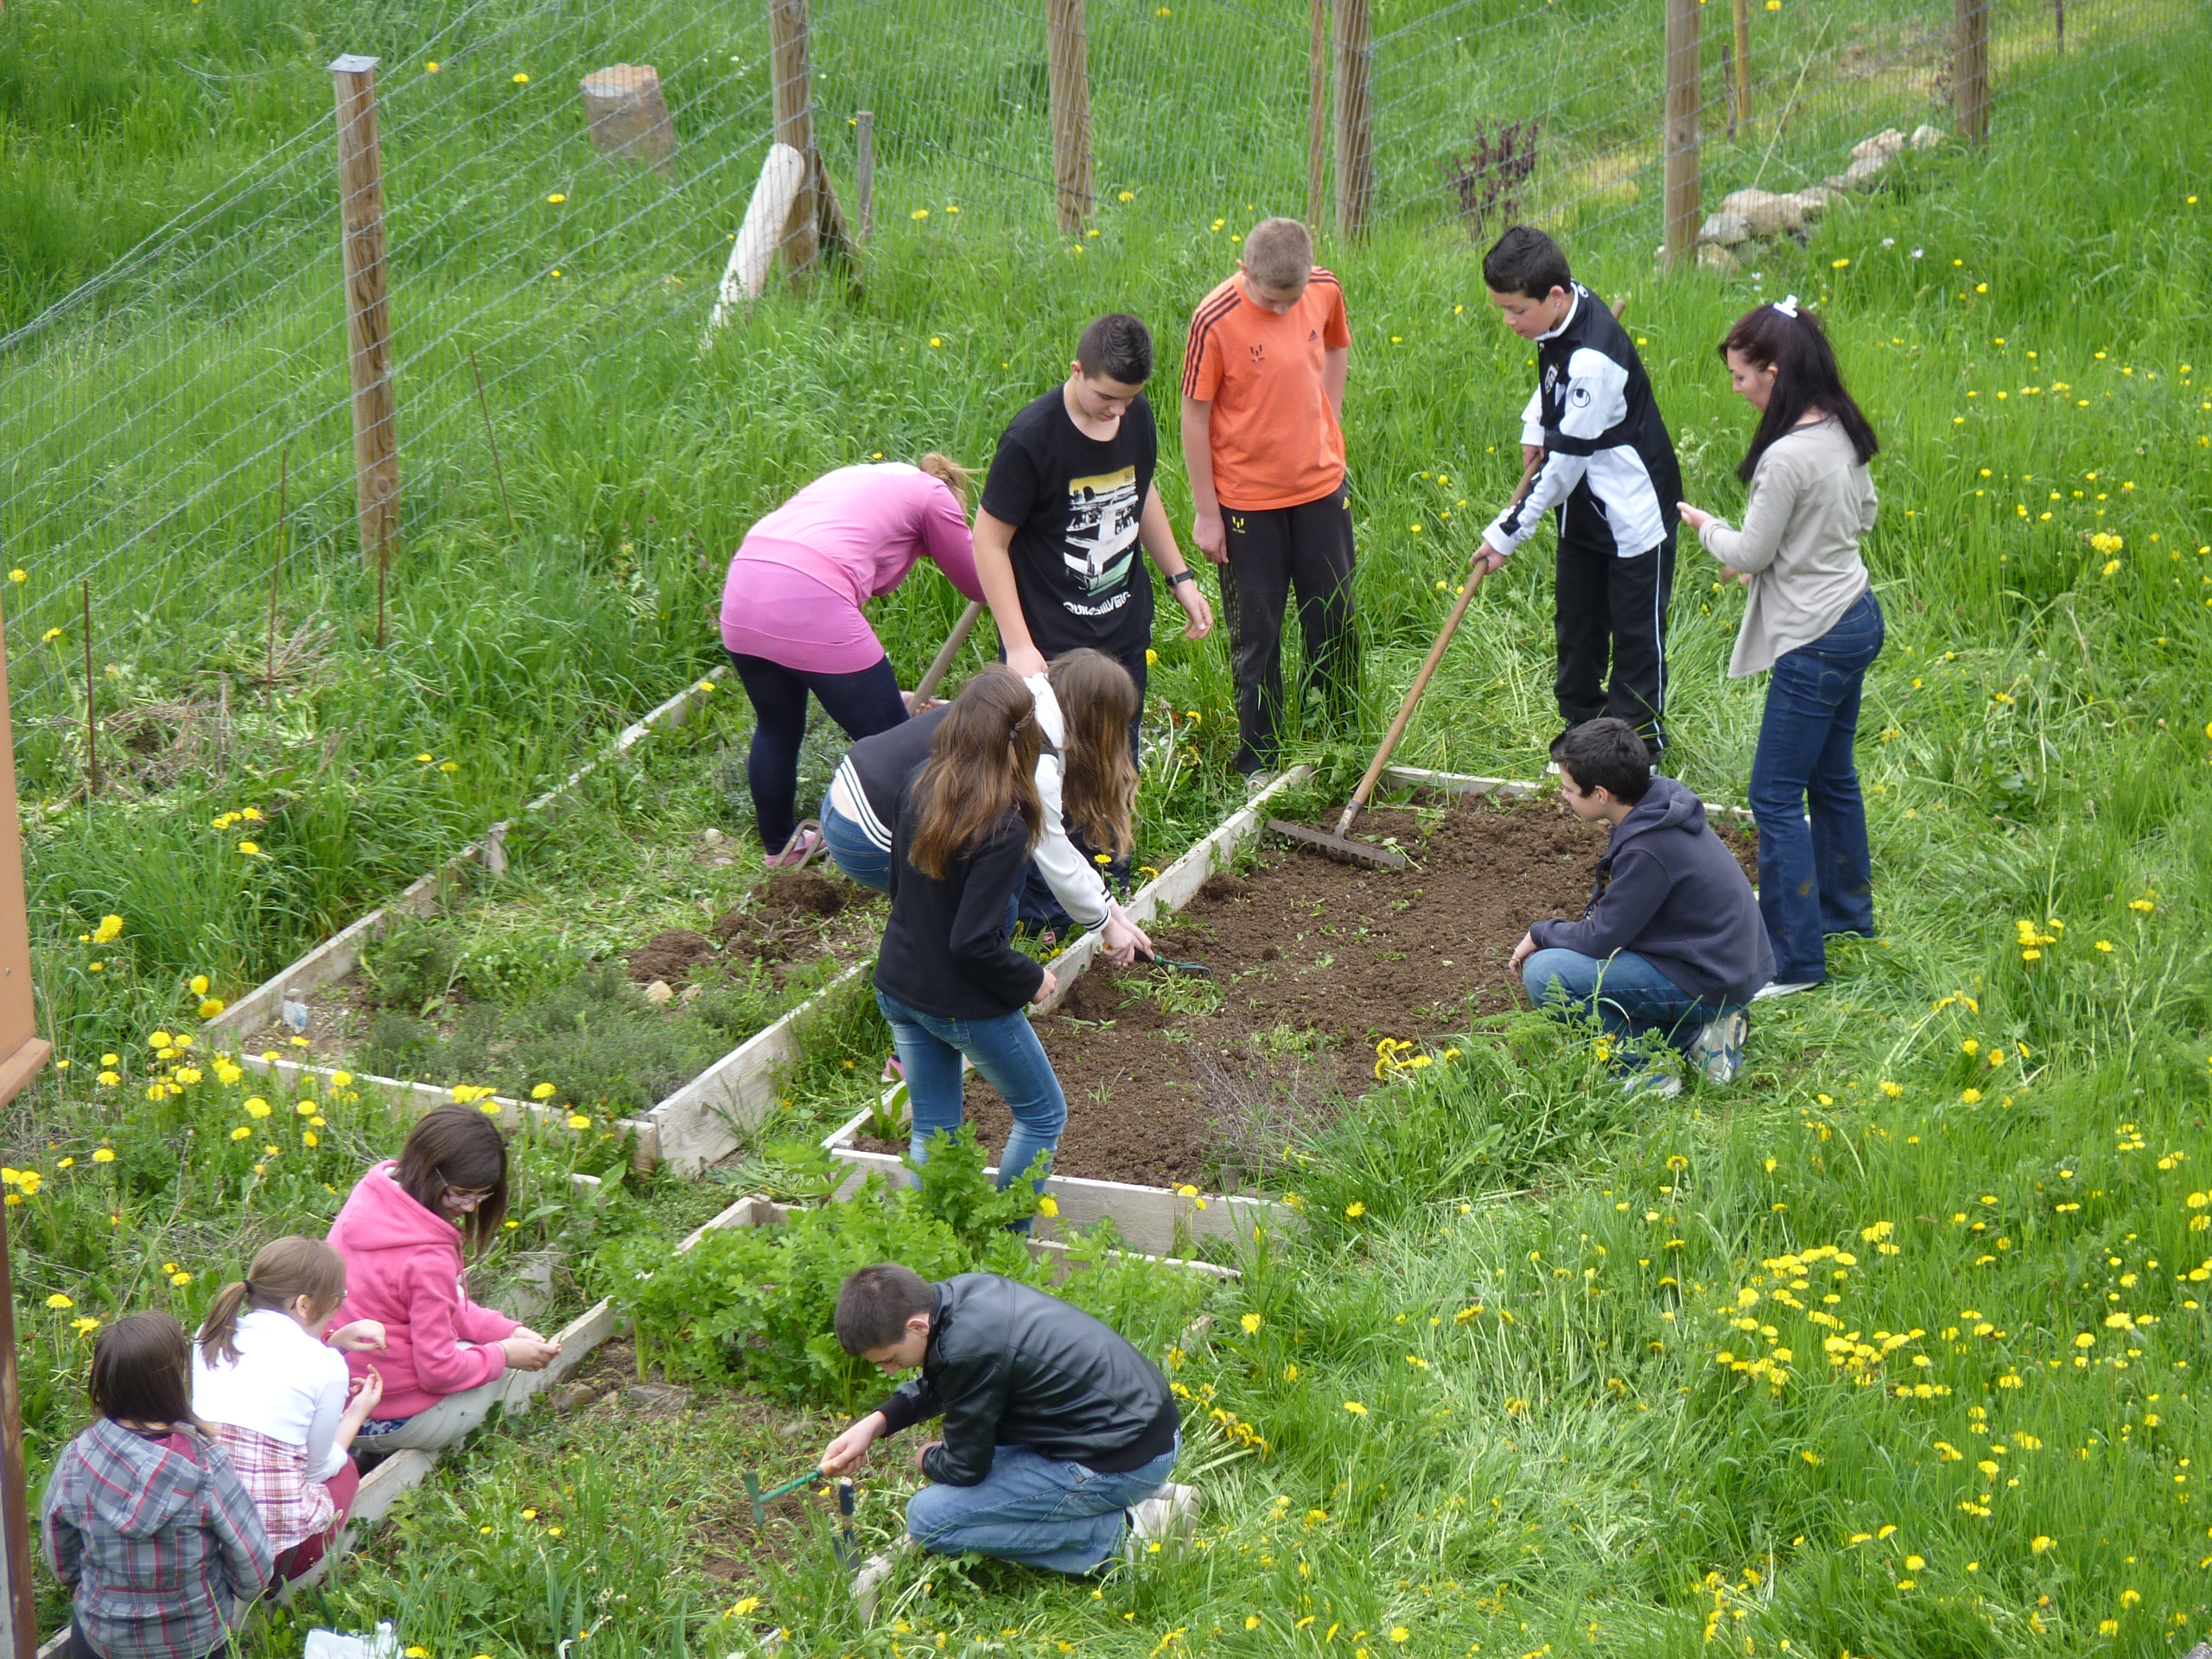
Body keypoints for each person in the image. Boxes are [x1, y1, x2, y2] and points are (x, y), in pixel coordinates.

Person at [1676, 297, 1884, 997]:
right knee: (1832, 780)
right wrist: (1779, 552)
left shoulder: (1786, 456)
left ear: (1773, 372)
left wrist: (1709, 530)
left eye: (1740, 376)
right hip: (1857, 613)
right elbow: (1863, 514)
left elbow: (1753, 548)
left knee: (1772, 796)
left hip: (1815, 637)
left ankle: (1794, 962)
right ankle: (1845, 916)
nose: (1736, 388)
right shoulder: (1840, 428)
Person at [819, 1263, 1197, 1613]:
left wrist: (926, 1459)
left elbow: (966, 1467)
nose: (888, 1370)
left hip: (1124, 1460)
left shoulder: (969, 1348)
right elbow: (945, 1382)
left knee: (929, 1518)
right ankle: (1154, 1501)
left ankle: (1129, 1537)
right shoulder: (962, 1296)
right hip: (1143, 1432)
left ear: (918, 1327)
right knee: (972, 1478)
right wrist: (875, 1424)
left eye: (889, 1359)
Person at [1470, 226, 1684, 757]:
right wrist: (1532, 423)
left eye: (1517, 311)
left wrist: (1506, 533)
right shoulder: (1566, 306)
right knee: (1578, 629)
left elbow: (1564, 464)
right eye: (1503, 309)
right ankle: (1582, 746)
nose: (1509, 322)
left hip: (1632, 510)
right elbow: (1554, 378)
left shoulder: (1596, 358)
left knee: (1636, 638)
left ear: (1555, 296)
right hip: (1584, 512)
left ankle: (1639, 755)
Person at [719, 455, 987, 864]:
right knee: (896, 744)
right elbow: (977, 582)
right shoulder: (935, 497)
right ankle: (925, 858)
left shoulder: (863, 478)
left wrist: (882, 694)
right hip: (810, 593)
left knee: (777, 726)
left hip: (745, 585)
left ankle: (781, 850)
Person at [973, 313, 1214, 756]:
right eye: (1107, 396)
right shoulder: (1031, 439)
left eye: (1130, 398)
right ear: (1077, 370)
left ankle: (1117, 825)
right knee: (1056, 763)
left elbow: (1138, 492)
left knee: (1121, 757)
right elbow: (988, 541)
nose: (1118, 410)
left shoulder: (1134, 414)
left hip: (1124, 627)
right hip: (1055, 643)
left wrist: (1179, 577)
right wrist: (1019, 645)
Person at [824, 648, 1155, 964]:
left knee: (1000, 866)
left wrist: (1111, 910)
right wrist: (1106, 927)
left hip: (846, 794)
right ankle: (968, 995)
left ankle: (962, 978)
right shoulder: (1037, 759)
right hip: (868, 831)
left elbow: (1058, 844)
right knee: (992, 892)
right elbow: (1053, 855)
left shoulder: (1023, 698)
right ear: (1098, 725)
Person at [872, 669, 1068, 1193]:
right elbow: (972, 943)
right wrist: (1032, 978)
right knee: (1043, 1115)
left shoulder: (919, 781)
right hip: (955, 1001)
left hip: (898, 984)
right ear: (1020, 739)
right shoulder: (1002, 824)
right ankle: (1004, 1247)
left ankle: (923, 1255)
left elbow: (898, 888)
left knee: (934, 1131)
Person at [1180, 216, 1357, 781]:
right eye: (1270, 299)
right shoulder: (1214, 319)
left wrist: (1327, 419)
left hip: (1320, 489)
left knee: (1334, 615)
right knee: (1257, 633)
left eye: (1292, 299)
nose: (1282, 311)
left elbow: (1336, 346)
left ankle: (1343, 735)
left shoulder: (1324, 287)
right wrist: (1208, 512)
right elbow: (1195, 414)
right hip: (1246, 503)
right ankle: (1261, 758)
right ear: (1244, 271)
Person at [1510, 719, 1773, 1090]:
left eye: (1569, 789)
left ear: (1600, 794)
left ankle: (1644, 1070)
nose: (1563, 796)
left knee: (1546, 973)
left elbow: (1601, 939)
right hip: (1722, 964)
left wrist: (1541, 933)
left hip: (1712, 979)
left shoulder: (1649, 847)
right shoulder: (1658, 805)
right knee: (1572, 965)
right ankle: (1704, 1034)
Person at [325, 1105, 562, 1453]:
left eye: (481, 1196)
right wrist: (504, 1354)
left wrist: (507, 1331)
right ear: (429, 1172)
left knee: (477, 1350)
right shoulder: (427, 1257)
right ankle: (408, 1450)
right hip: (385, 1416)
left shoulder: (375, 1193)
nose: (469, 1208)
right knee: (489, 1373)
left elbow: (440, 1304)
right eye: (461, 1193)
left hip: (332, 1402)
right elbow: (438, 1371)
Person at [41, 1312, 273, 1659]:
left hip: (103, 1639)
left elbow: (61, 1558)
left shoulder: (76, 1458)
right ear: (175, 1380)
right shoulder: (207, 1464)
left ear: (103, 1381)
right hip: (194, 1641)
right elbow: (254, 1568)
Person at [191, 1236, 389, 1582]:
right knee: (344, 1472)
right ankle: (290, 1579)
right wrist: (357, 1412)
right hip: (269, 1553)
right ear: (304, 1305)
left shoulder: (209, 1333)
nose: (339, 1306)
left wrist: (331, 1342)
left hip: (202, 1530)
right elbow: (317, 1471)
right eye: (338, 1299)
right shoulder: (325, 1365)